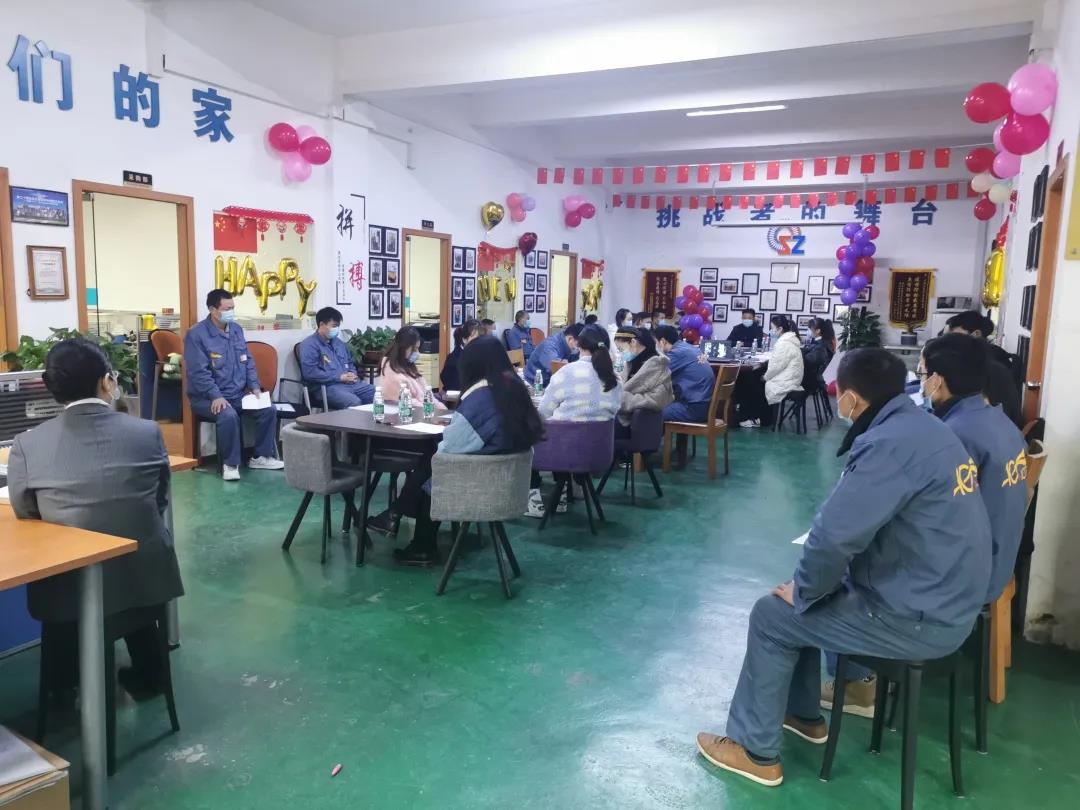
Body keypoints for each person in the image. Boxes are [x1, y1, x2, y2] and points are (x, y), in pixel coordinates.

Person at [696, 349, 991, 788]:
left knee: (774, 613)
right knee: (806, 595)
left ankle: (754, 751)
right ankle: (802, 715)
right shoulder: (927, 428)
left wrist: (804, 590)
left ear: (851, 398)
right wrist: (809, 588)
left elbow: (834, 537)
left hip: (918, 617)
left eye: (841, 395)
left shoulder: (887, 445)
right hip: (947, 601)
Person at [8, 339, 185, 698]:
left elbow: (26, 513)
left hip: (71, 589)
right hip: (144, 578)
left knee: (65, 580)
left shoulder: (27, 444)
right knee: (129, 565)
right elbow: (159, 499)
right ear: (107, 381)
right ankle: (150, 678)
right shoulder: (147, 432)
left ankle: (63, 686)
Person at [386, 337, 546, 565]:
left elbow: (449, 448)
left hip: (479, 483)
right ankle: (393, 516)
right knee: (428, 464)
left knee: (431, 465)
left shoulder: (481, 400)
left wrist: (451, 431)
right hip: (509, 481)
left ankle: (419, 543)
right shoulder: (514, 388)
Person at [921, 334, 1028, 604]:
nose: (922, 384)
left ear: (936, 380)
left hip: (964, 578)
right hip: (1000, 564)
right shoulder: (1002, 422)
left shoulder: (954, 436)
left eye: (923, 374)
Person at [184, 289, 284, 481]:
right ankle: (230, 464)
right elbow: (198, 372)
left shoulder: (236, 330)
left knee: (268, 409)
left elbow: (248, 361)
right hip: (206, 398)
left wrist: (254, 387)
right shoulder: (196, 334)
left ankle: (261, 457)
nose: (231, 312)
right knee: (228, 414)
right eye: (227, 308)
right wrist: (215, 395)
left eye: (233, 308)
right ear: (213, 310)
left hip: (237, 394)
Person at [528, 324, 621, 517]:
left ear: (579, 344)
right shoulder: (614, 378)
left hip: (562, 452)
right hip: (599, 453)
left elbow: (543, 412)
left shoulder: (566, 373)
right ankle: (561, 495)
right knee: (559, 432)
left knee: (528, 432)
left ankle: (535, 499)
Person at [945, 310, 1022, 428]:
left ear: (976, 334)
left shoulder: (986, 365)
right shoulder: (985, 357)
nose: (948, 344)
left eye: (954, 337)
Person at [655, 325, 716, 467]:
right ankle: (676, 452)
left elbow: (654, 376)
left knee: (651, 412)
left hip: (694, 407)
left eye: (655, 342)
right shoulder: (688, 348)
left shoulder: (676, 354)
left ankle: (641, 455)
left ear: (662, 341)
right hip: (703, 403)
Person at [299, 306, 375, 409]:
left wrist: (352, 374)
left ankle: (375, 420)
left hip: (350, 384)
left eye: (338, 326)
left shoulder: (339, 344)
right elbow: (310, 373)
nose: (337, 329)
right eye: (334, 326)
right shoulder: (309, 345)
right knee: (353, 402)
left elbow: (350, 362)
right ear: (321, 324)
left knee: (379, 395)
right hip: (326, 387)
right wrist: (339, 377)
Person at [614, 327, 673, 429]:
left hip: (637, 423)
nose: (621, 353)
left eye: (621, 349)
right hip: (623, 417)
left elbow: (656, 401)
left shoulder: (658, 367)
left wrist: (622, 399)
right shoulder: (632, 364)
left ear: (633, 342)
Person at [378, 326, 445, 408]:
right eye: (414, 349)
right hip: (410, 412)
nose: (417, 353)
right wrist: (432, 409)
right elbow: (409, 402)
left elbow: (428, 396)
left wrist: (442, 408)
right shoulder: (392, 372)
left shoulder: (407, 365)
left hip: (425, 410)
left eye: (418, 349)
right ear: (403, 347)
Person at [440, 318, 480, 392]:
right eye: (475, 338)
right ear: (464, 339)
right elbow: (454, 387)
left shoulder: (478, 355)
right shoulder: (454, 360)